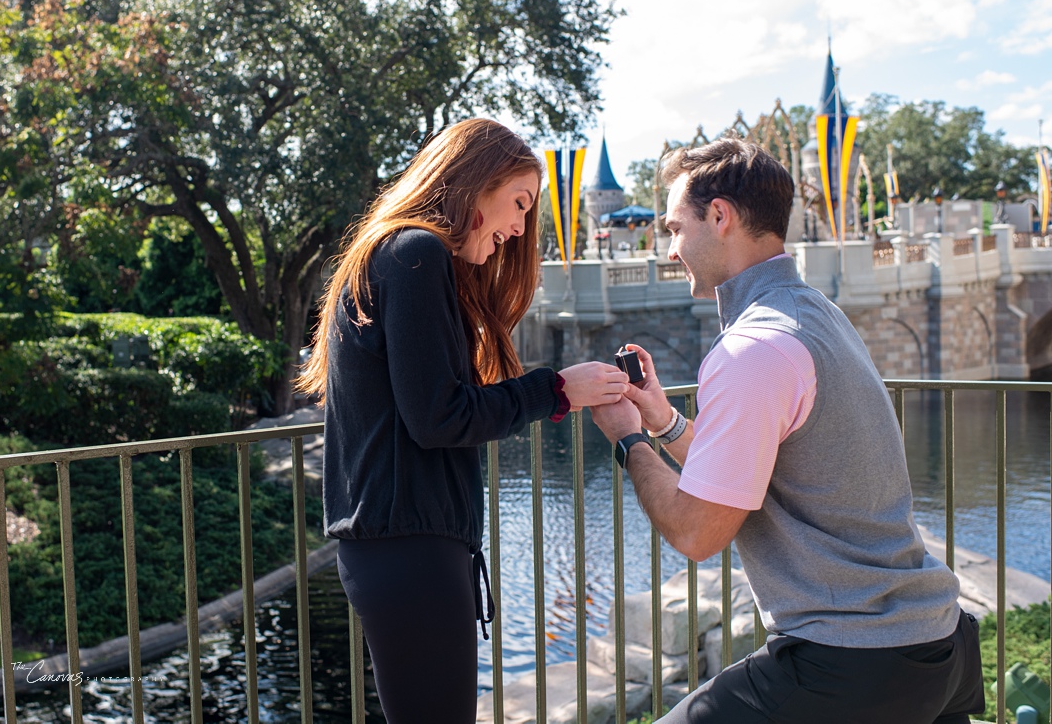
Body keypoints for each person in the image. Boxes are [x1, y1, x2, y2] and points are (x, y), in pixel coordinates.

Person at [589, 139, 984, 723]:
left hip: (850, 662)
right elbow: (744, 477)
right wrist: (662, 419)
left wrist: (627, 440)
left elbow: (699, 532)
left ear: (719, 216)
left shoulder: (752, 348)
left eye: (675, 227)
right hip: (936, 648)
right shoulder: (816, 315)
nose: (669, 249)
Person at [295, 118, 629, 723]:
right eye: (520, 203)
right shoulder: (415, 252)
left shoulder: (393, 255)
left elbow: (426, 412)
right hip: (410, 555)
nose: (520, 227)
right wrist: (556, 390)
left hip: (400, 552)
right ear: (477, 182)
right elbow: (439, 417)